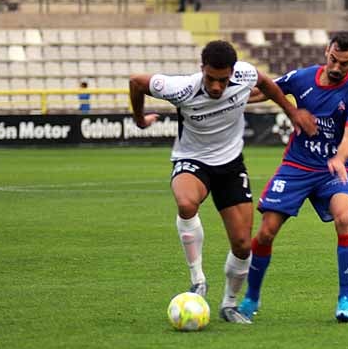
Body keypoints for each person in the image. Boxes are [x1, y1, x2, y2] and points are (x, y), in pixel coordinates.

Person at [128, 40, 315, 323]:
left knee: (242, 244)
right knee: (186, 202)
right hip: (192, 159)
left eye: (223, 80)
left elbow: (265, 82)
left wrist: (291, 112)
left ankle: (229, 304)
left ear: (233, 72)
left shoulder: (245, 75)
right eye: (211, 79)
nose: (216, 87)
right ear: (201, 69)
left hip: (230, 165)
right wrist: (140, 118)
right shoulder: (182, 88)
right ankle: (198, 279)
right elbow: (136, 82)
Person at [241, 34, 348, 323]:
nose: (337, 67)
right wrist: (230, 98)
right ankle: (251, 296)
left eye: (345, 64)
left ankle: (345, 298)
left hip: (332, 170)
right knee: (266, 231)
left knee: (344, 217)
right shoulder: (302, 78)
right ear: (327, 51)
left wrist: (338, 157)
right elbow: (267, 91)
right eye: (334, 59)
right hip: (296, 166)